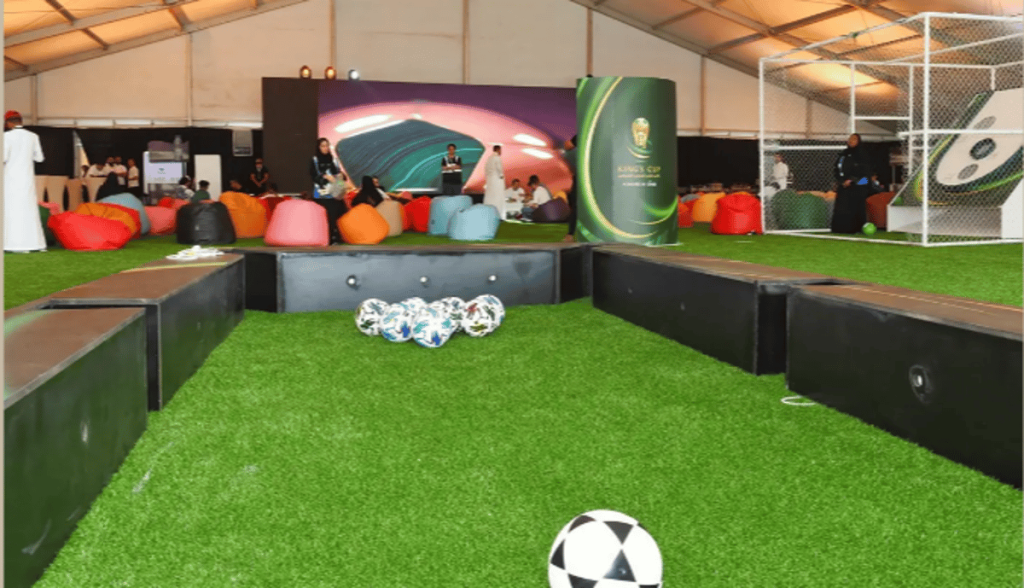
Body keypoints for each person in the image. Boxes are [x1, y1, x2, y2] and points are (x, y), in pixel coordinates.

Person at [3, 110, 47, 253]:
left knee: (12, 209)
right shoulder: (33, 136)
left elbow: (3, 158)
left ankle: (13, 244)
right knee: (29, 209)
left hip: (10, 179)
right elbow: (39, 158)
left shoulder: (6, 137)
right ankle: (36, 244)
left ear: (8, 123)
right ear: (21, 121)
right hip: (27, 178)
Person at [831, 133, 873, 234]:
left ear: (858, 141)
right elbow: (837, 169)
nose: (851, 141)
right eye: (850, 139)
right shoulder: (843, 155)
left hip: (858, 187)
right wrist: (841, 181)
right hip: (844, 186)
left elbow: (866, 176)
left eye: (854, 139)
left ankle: (857, 228)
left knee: (856, 207)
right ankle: (840, 228)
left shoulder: (863, 155)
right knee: (841, 207)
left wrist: (853, 181)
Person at [560, 135, 578, 242]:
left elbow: (567, 146)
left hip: (584, 174)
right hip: (596, 172)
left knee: (575, 202)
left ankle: (570, 234)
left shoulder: (583, 134)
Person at [483, 145, 505, 211]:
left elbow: (486, 169)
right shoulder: (497, 157)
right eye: (500, 150)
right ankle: (498, 210)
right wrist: (501, 175)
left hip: (490, 180)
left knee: (490, 195)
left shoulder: (489, 158)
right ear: (498, 150)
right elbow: (499, 168)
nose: (501, 152)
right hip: (497, 179)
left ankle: (488, 209)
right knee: (497, 195)